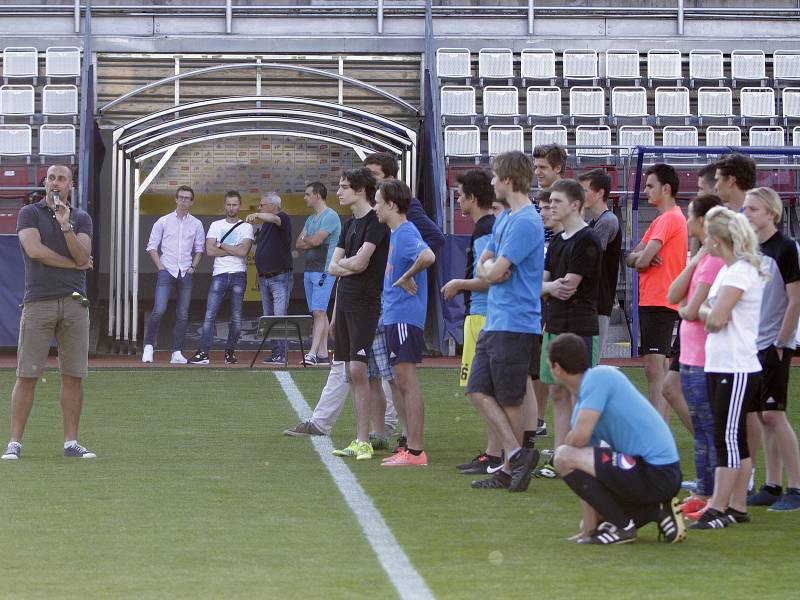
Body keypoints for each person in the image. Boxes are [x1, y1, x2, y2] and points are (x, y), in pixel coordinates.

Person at [549, 333, 685, 545]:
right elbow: (583, 470)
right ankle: (657, 510)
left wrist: (567, 441)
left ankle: (623, 527)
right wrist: (589, 527)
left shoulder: (597, 379)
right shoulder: (587, 396)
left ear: (557, 368)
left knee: (563, 456)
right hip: (653, 474)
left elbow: (576, 442)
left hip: (658, 473)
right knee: (601, 515)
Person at [2, 165, 96, 460]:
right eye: (51, 178)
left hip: (74, 303)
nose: (56, 183)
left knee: (73, 375)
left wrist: (65, 225)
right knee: (27, 374)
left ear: (71, 185)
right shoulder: (29, 213)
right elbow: (35, 251)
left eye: (62, 178)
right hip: (39, 301)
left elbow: (83, 253)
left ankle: (71, 442)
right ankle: (14, 443)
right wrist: (75, 264)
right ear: (45, 183)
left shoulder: (81, 218)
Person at [468, 151, 544, 492]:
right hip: (497, 320)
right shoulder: (505, 218)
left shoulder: (527, 220)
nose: (493, 183)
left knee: (509, 397)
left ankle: (512, 465)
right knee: (478, 391)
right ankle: (514, 456)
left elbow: (496, 270)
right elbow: (485, 267)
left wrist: (493, 270)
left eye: (497, 177)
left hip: (515, 322)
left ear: (509, 180)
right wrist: (492, 270)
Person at [689, 206, 766, 529]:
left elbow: (715, 318)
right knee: (732, 438)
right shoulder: (728, 270)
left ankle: (719, 507)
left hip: (736, 366)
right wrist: (709, 311)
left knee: (727, 438)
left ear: (717, 240)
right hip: (723, 363)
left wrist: (706, 312)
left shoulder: (739, 272)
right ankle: (736, 505)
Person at [538, 179, 603, 472]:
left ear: (575, 205)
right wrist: (550, 286)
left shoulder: (587, 239)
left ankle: (580, 454)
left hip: (578, 326)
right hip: (555, 322)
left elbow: (569, 286)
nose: (551, 207)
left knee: (580, 393)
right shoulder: (557, 240)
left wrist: (548, 286)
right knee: (557, 391)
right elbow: (544, 285)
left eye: (557, 202)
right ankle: (561, 454)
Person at [667, 194, 725, 515]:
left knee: (708, 428)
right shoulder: (703, 258)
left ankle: (714, 494)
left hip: (705, 359)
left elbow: (688, 311)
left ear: (702, 221)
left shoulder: (715, 261)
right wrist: (694, 259)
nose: (686, 221)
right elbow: (673, 295)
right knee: (702, 429)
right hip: (691, 357)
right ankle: (704, 491)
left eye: (690, 216)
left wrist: (686, 307)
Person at [442, 169, 503, 474]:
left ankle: (506, 450)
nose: (457, 198)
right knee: (485, 389)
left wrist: (459, 283)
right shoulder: (486, 227)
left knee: (478, 389)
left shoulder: (485, 230)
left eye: (461, 192)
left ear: (472, 197)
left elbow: (488, 278)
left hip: (482, 315)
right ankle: (495, 454)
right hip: (482, 314)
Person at [743, 188, 800, 511]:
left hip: (775, 342)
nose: (747, 214)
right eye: (746, 209)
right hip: (754, 342)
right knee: (764, 416)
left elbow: (795, 300)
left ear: (771, 213)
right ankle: (772, 484)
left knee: (774, 414)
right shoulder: (751, 248)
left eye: (753, 209)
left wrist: (781, 340)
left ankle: (795, 486)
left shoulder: (786, 248)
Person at [329, 168, 390, 461]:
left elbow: (363, 263)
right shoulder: (347, 223)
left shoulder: (375, 224)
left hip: (366, 303)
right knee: (351, 371)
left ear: (361, 190)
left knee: (358, 369)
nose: (339, 191)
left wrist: (348, 265)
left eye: (344, 186)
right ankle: (366, 437)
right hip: (346, 302)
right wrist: (348, 267)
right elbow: (334, 266)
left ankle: (364, 439)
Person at [374, 180, 435, 466]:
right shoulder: (398, 233)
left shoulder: (407, 232)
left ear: (391, 204)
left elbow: (428, 255)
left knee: (406, 383)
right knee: (401, 382)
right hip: (396, 316)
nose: (375, 207)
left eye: (378, 201)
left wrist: (407, 275)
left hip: (404, 318)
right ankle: (410, 447)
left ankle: (415, 451)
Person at [625, 164, 688, 419]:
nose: (646, 191)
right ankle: (658, 427)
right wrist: (642, 258)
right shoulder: (662, 220)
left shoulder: (669, 218)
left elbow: (638, 260)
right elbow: (631, 258)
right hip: (657, 298)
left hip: (660, 299)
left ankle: (656, 430)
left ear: (666, 188)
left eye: (650, 186)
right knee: (657, 367)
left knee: (654, 368)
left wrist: (642, 258)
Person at [141, 185, 205, 364]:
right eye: (181, 197)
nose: (184, 201)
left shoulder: (197, 224)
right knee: (159, 310)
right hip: (166, 270)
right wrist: (160, 267)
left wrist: (193, 267)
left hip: (185, 271)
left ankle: (177, 351)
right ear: (176, 199)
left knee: (183, 314)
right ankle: (148, 347)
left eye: (187, 198)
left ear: (192, 202)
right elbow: (151, 246)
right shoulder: (163, 221)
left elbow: (199, 249)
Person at [188, 191, 253, 365]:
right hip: (219, 274)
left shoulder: (246, 227)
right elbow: (210, 251)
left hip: (238, 274)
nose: (231, 208)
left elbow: (243, 252)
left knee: (236, 317)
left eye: (235, 204)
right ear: (225, 205)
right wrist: (233, 248)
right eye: (229, 204)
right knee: (210, 315)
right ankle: (203, 353)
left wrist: (221, 244)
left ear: (240, 206)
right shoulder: (215, 225)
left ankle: (230, 352)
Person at [296, 182, 341, 366]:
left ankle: (312, 353)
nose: (305, 198)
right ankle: (323, 354)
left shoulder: (330, 216)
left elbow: (314, 240)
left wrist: (310, 240)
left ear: (317, 195)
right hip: (309, 270)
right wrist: (310, 241)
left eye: (307, 194)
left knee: (319, 311)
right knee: (319, 312)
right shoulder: (311, 219)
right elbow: (299, 243)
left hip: (324, 270)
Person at [578, 169, 621, 357]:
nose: (582, 195)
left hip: (599, 299)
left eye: (585, 190)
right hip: (592, 299)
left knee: (592, 358)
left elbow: (589, 257)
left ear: (600, 193)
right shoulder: (594, 222)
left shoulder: (607, 221)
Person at [248, 192, 293, 365]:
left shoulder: (282, 217)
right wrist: (258, 276)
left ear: (272, 206)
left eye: (262, 205)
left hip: (280, 277)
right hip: (265, 277)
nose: (259, 208)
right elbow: (263, 249)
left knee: (279, 315)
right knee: (269, 317)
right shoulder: (266, 225)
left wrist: (258, 215)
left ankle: (282, 353)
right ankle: (276, 353)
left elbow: (275, 219)